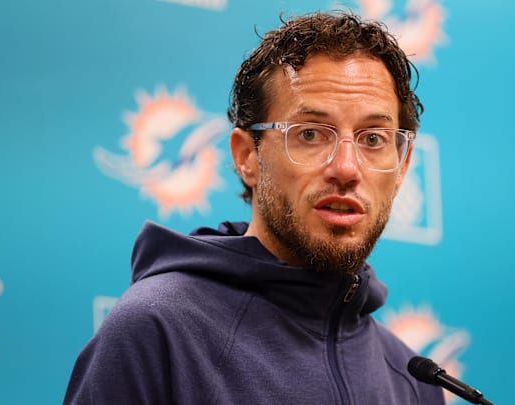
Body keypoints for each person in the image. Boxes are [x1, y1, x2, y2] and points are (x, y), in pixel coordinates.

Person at [64, 10, 444, 405]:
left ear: (402, 165)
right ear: (247, 156)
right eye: (310, 134)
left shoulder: (414, 380)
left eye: (373, 139)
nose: (346, 168)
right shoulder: (156, 332)